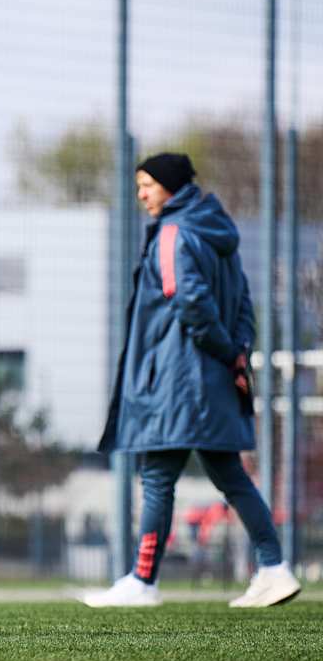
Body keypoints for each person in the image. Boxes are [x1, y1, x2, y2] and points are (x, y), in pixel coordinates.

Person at [85, 152, 300, 608]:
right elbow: (243, 305)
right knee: (231, 476)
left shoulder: (173, 233)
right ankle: (274, 567)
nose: (141, 194)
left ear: (170, 186)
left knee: (159, 476)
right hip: (214, 381)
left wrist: (223, 350)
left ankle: (142, 582)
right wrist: (235, 355)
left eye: (147, 184)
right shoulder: (218, 233)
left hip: (176, 382)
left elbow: (190, 303)